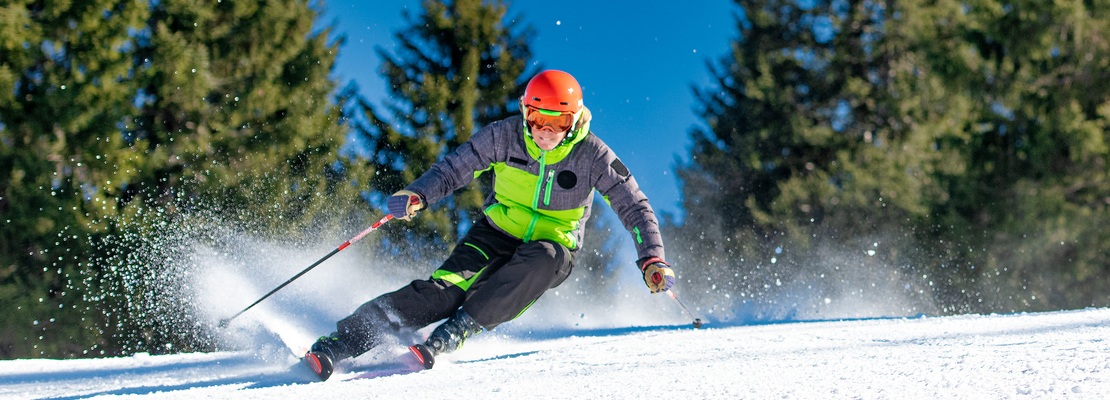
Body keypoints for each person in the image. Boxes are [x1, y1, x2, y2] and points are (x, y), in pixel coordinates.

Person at [303, 70, 676, 379]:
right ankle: (343, 341)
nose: (546, 131)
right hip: (495, 232)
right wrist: (418, 194)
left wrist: (652, 258)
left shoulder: (593, 155)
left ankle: (458, 329)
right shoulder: (504, 135)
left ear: (575, 119)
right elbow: (455, 168)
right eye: (538, 118)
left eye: (559, 121)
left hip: (554, 245)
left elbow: (634, 205)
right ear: (525, 112)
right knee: (442, 292)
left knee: (541, 260)